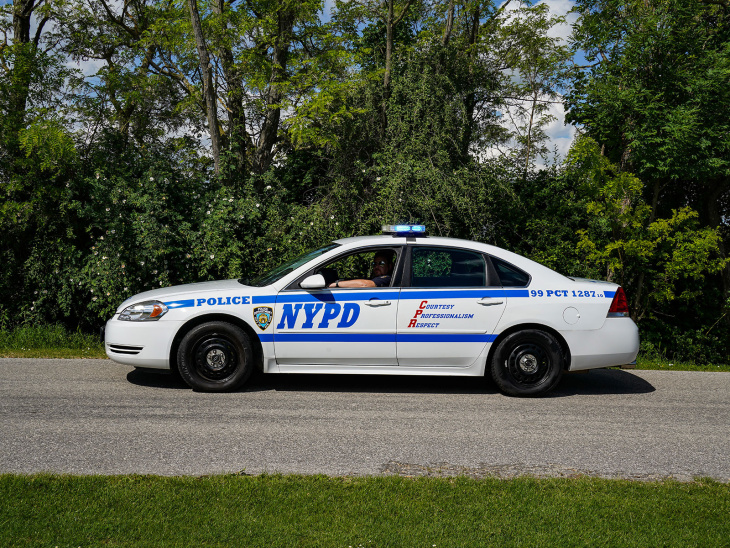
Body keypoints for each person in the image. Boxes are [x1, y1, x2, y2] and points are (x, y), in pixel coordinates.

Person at [329, 251, 394, 288]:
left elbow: (364, 284)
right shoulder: (377, 278)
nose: (377, 266)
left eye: (381, 263)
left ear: (390, 266)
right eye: (375, 263)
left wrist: (336, 284)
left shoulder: (387, 278)